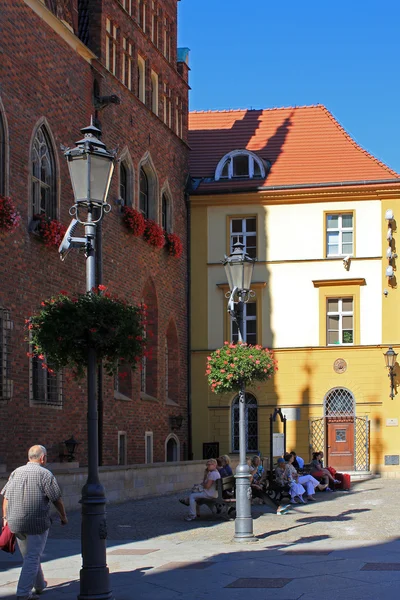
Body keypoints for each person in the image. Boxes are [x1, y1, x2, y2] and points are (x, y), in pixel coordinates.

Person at [1, 445, 68, 600]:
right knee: (32, 556)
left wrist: (5, 518)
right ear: (42, 458)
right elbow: (56, 499)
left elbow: (6, 498)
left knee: (30, 556)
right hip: (36, 522)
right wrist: (63, 516)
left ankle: (39, 585)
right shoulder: (45, 474)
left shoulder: (16, 472)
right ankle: (23, 593)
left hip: (15, 522)